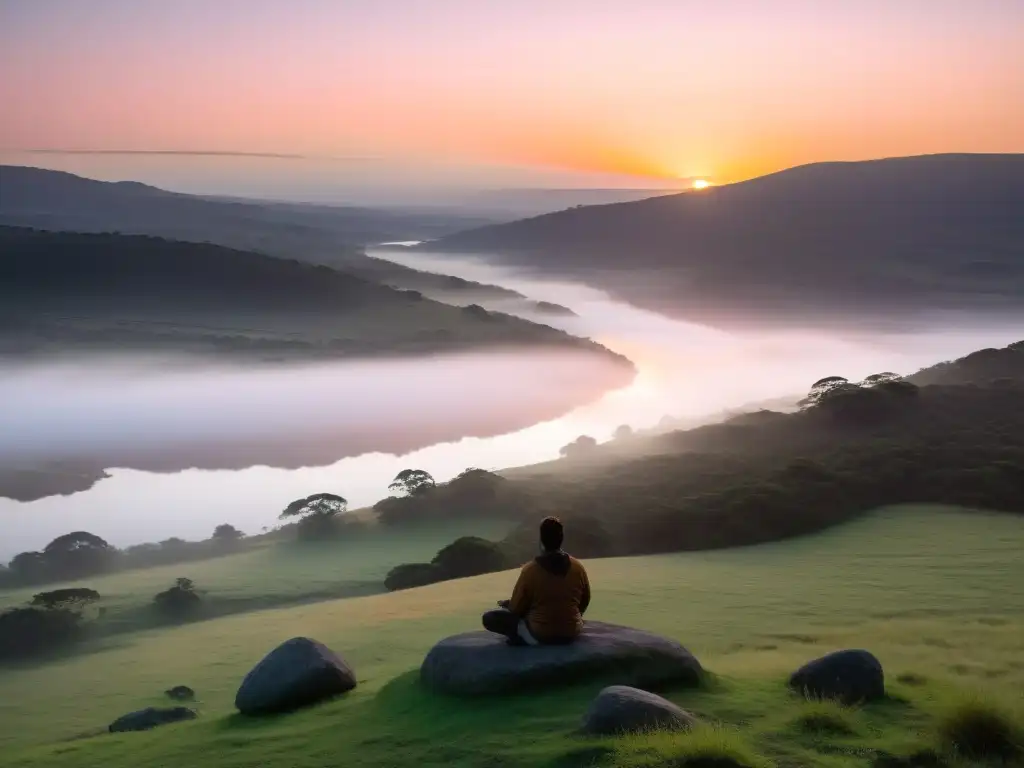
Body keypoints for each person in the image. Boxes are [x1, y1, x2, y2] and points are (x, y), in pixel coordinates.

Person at [482, 516, 591, 646]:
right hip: (572, 632)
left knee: (489, 618)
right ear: (561, 539)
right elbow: (586, 598)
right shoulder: (577, 567)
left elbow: (516, 609)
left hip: (540, 635)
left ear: (541, 541)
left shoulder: (531, 569)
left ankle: (523, 638)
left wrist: (508, 604)